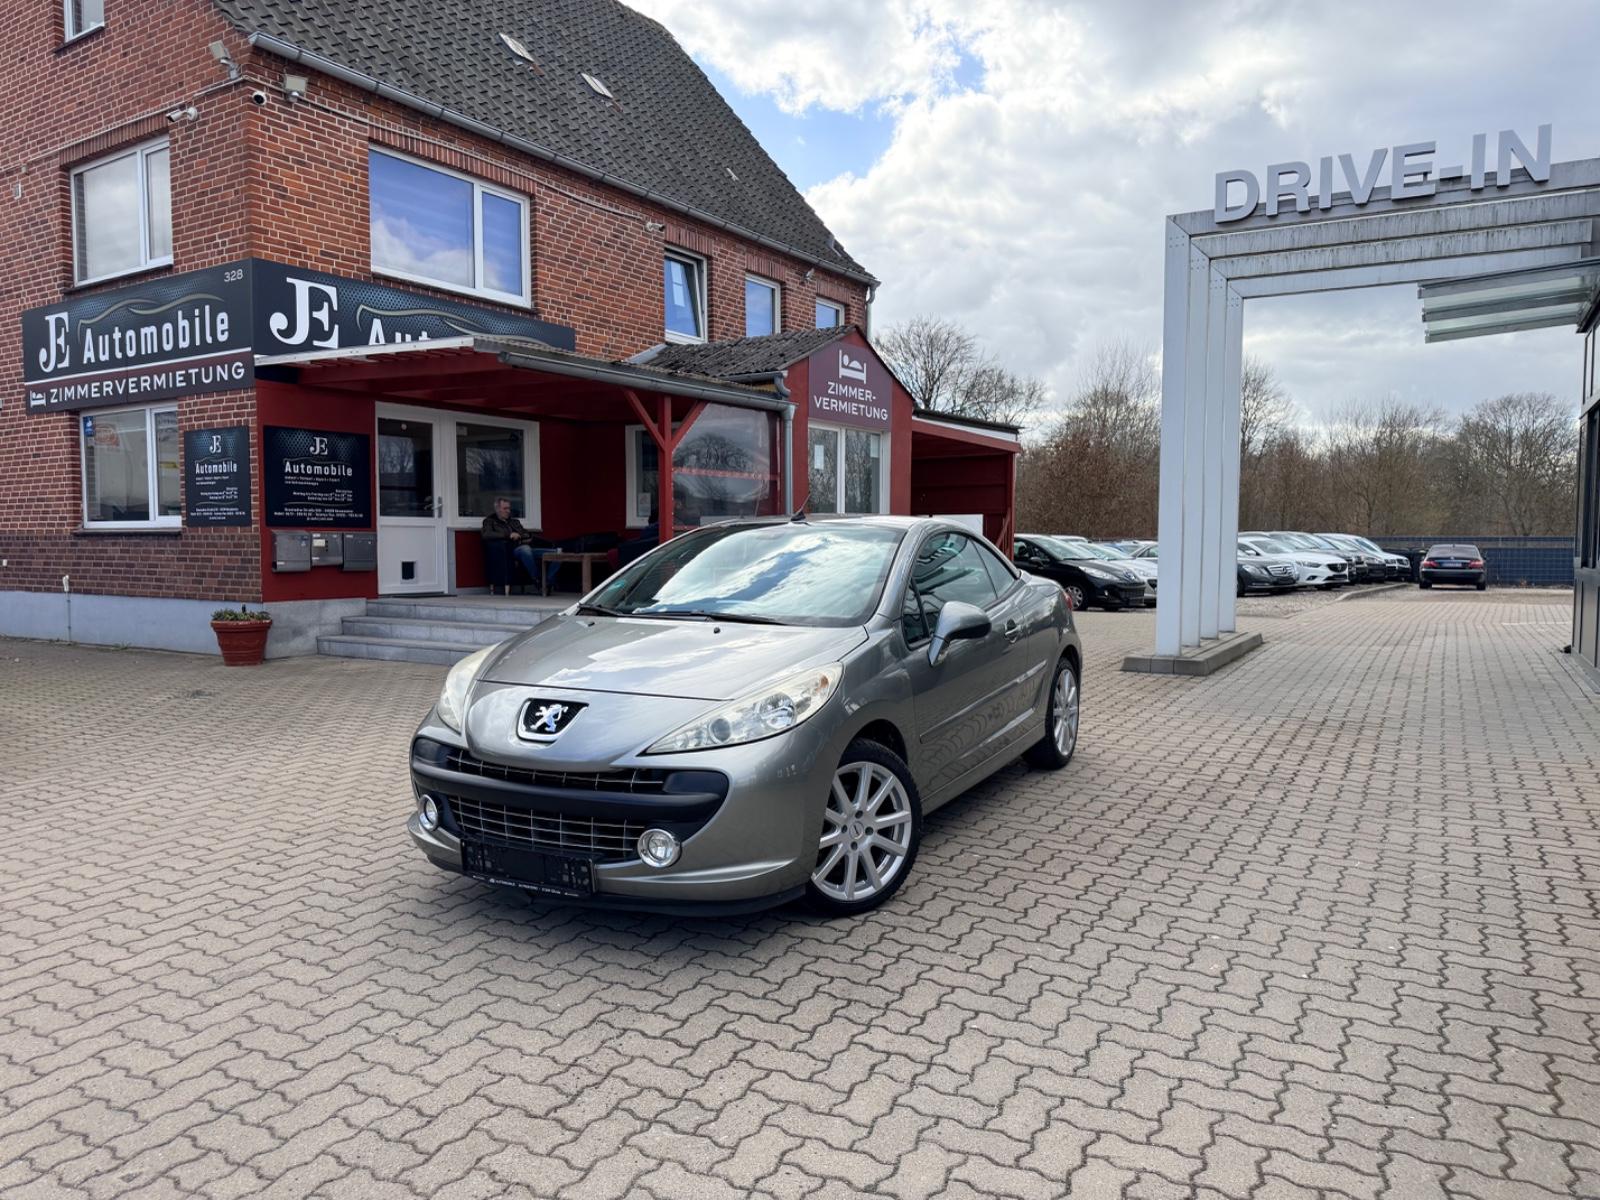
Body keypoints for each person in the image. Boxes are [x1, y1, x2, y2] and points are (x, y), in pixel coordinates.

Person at [481, 497, 555, 593]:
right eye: (505, 508)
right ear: (497, 509)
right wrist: (508, 535)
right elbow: (486, 534)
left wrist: (519, 535)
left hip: (526, 547)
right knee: (525, 549)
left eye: (509, 508)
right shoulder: (489, 521)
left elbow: (526, 533)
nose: (508, 511)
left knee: (556, 553)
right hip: (510, 550)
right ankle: (537, 580)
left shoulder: (514, 522)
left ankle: (547, 582)